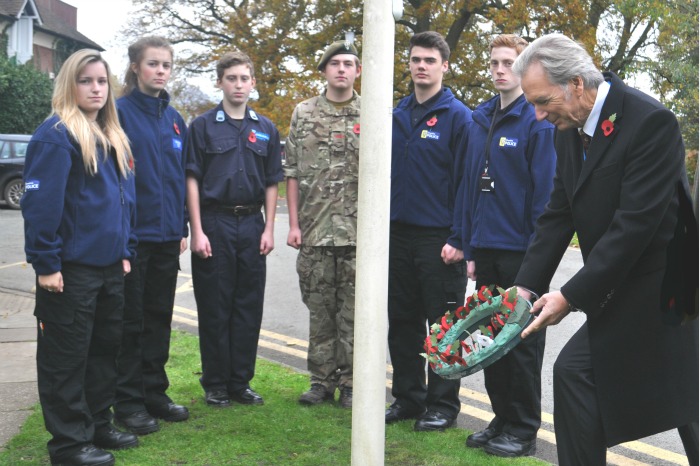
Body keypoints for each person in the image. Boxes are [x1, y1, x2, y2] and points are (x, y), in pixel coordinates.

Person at [511, 33, 699, 465]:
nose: (538, 115)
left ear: (577, 83)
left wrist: (571, 296)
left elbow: (634, 226)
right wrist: (524, 286)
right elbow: (559, 213)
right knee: (578, 375)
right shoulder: (567, 129)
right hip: (621, 283)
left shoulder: (650, 122)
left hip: (662, 286)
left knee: (686, 403)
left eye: (542, 101)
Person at [21, 49, 138, 466]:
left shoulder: (111, 135)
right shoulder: (55, 135)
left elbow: (123, 202)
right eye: (86, 80)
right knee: (65, 360)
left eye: (102, 81)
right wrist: (47, 265)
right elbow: (40, 207)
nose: (95, 88)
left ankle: (97, 426)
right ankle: (70, 445)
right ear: (70, 84)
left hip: (108, 268)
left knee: (104, 352)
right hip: (69, 271)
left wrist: (125, 252)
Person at [460, 34, 556, 457]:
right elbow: (469, 188)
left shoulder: (537, 121)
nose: (500, 69)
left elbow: (545, 198)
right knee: (491, 340)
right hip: (486, 248)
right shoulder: (481, 119)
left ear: (523, 69)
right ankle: (500, 418)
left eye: (508, 63)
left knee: (520, 344)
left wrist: (537, 260)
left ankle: (523, 428)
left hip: (522, 253)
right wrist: (469, 246)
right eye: (495, 62)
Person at [185, 51, 283, 408]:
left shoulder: (266, 128)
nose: (238, 85)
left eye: (244, 78)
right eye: (231, 78)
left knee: (247, 306)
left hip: (252, 224)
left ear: (253, 83)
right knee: (215, 305)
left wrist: (269, 227)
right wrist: (197, 229)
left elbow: (273, 181)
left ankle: (240, 383)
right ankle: (215, 384)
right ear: (220, 82)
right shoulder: (203, 126)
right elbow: (192, 178)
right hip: (215, 222)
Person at [386, 31, 471, 432]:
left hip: (440, 240)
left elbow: (466, 183)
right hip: (397, 235)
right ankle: (408, 398)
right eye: (416, 59)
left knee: (443, 326)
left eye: (430, 60)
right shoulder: (397, 114)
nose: (422, 65)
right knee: (402, 322)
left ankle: (442, 406)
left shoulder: (460, 118)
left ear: (444, 66)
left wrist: (458, 238)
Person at [113, 36, 190, 435]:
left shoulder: (175, 119)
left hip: (166, 238)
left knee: (159, 318)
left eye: (166, 65)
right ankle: (127, 403)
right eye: (153, 64)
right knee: (131, 321)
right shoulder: (118, 114)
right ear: (135, 68)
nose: (160, 71)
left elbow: (177, 178)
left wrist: (181, 227)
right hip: (132, 239)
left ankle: (154, 393)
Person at [285, 38, 361, 409]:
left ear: (358, 71)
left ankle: (350, 383)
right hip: (314, 232)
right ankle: (320, 381)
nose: (342, 69)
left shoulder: (371, 113)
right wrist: (294, 225)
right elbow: (293, 172)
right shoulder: (304, 113)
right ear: (325, 71)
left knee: (353, 315)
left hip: (359, 235)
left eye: (349, 64)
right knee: (320, 312)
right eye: (335, 64)